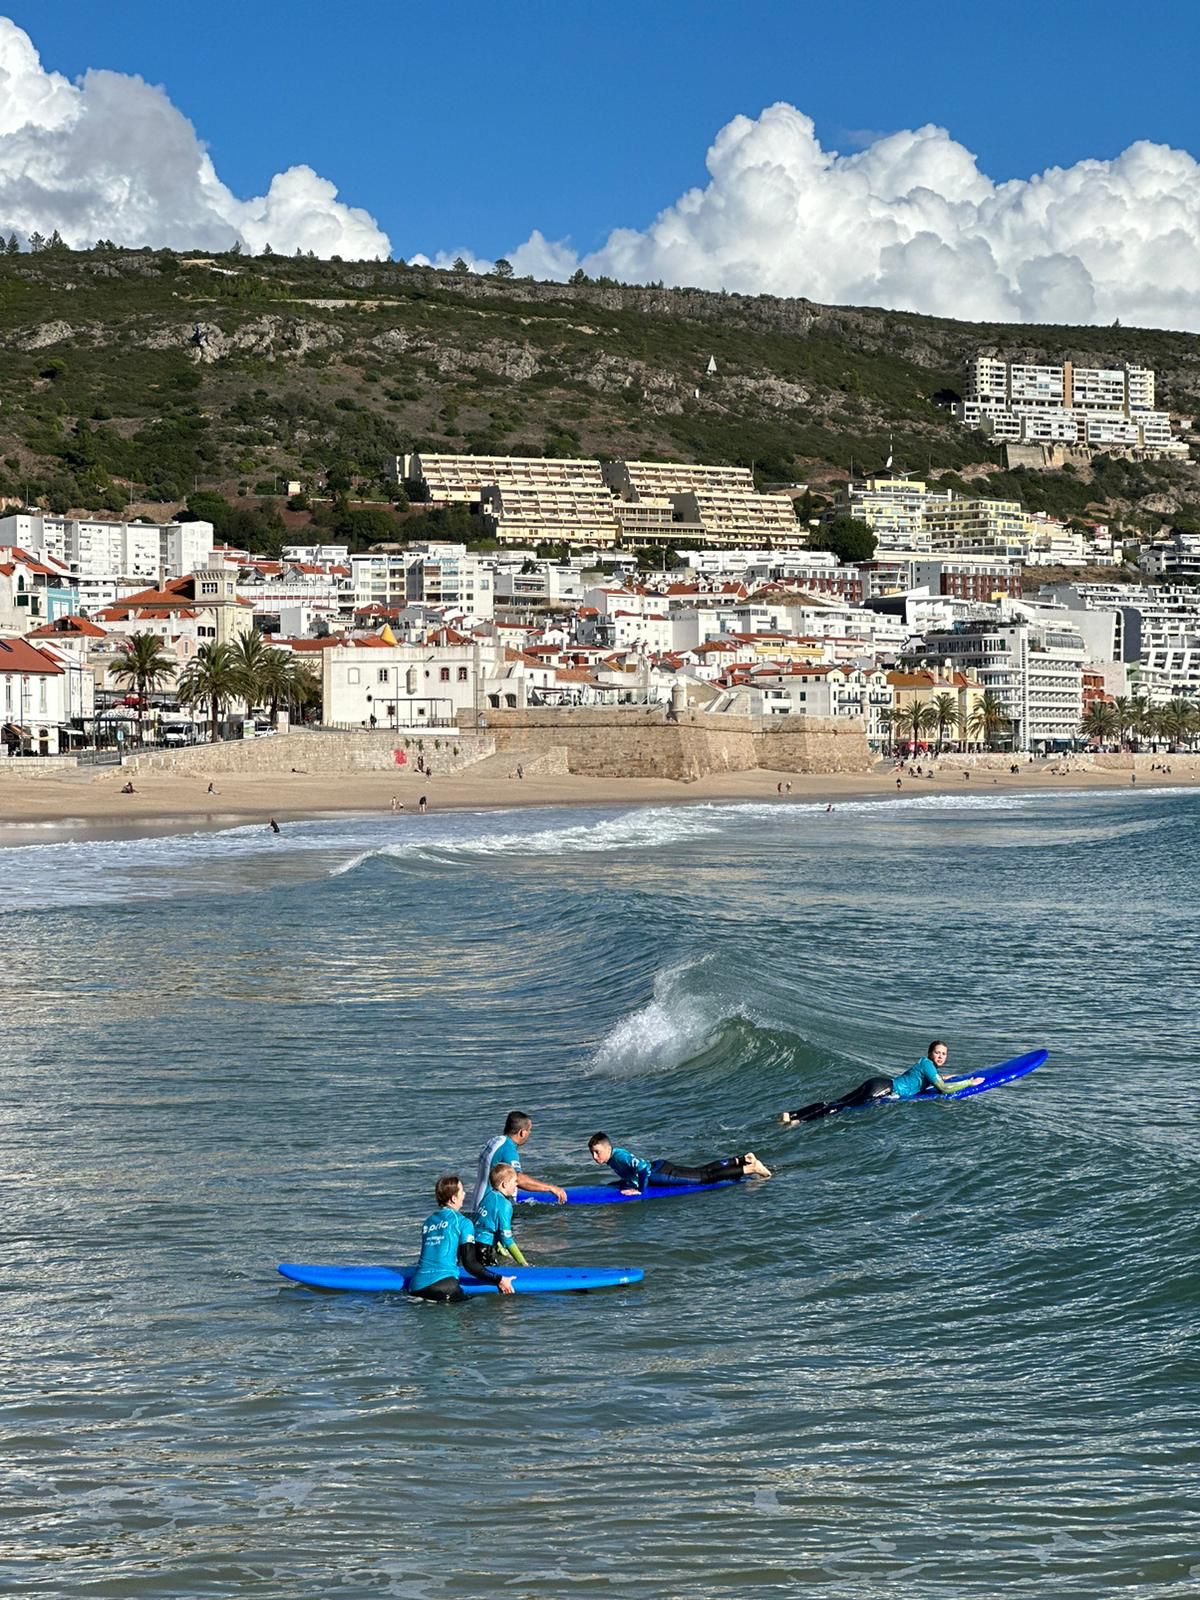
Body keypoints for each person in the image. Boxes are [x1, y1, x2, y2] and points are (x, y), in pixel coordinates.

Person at [778, 1040, 982, 1123]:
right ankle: (799, 1121)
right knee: (841, 1108)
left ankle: (792, 1114)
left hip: (879, 1083)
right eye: (937, 1053)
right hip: (883, 1089)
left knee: (837, 1102)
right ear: (930, 1053)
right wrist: (969, 1083)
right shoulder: (928, 1065)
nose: (940, 1056)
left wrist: (943, 1077)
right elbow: (944, 1089)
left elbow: (932, 1080)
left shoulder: (926, 1066)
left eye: (944, 1054)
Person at [407, 1175, 514, 1302]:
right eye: (462, 1191)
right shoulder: (463, 1223)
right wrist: (499, 1279)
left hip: (415, 1287)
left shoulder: (428, 1222)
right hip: (444, 1287)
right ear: (453, 1198)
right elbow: (470, 1265)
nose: (464, 1194)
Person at [586, 1132, 771, 1194]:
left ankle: (750, 1168)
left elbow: (642, 1168)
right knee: (701, 1171)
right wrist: (623, 1183)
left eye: (597, 1152)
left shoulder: (618, 1156)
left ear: (607, 1148)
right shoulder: (613, 1157)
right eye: (592, 1153)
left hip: (660, 1174)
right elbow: (633, 1171)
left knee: (706, 1178)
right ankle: (741, 1159)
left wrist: (640, 1190)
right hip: (659, 1167)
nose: (595, 1157)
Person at [470, 1111, 567, 1210]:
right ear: (522, 1132)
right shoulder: (508, 1150)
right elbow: (519, 1179)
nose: (530, 1133)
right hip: (493, 1206)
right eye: (529, 1130)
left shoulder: (495, 1141)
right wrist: (551, 1188)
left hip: (479, 1202)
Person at [472, 1162, 529, 1268]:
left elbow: (487, 1224)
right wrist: (524, 1263)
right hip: (483, 1249)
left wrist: (499, 1248)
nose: (517, 1185)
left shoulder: (488, 1196)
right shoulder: (505, 1205)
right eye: (514, 1181)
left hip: (470, 1245)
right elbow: (507, 1239)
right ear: (504, 1184)